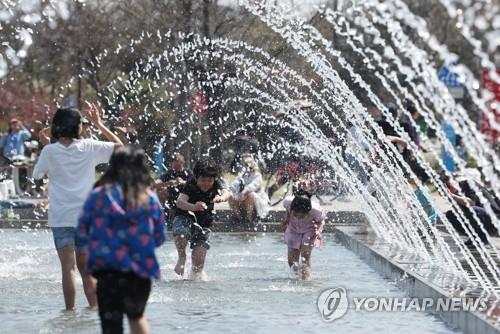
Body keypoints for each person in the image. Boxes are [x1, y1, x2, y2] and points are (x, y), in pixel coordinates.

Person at [32, 107, 123, 310]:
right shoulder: (89, 147)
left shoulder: (50, 151)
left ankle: (69, 314)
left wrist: (47, 146)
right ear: (77, 126)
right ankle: (95, 311)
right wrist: (99, 124)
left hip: (61, 218)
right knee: (86, 270)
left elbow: (37, 175)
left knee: (68, 268)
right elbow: (120, 146)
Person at [76, 146, 166, 334]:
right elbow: (159, 237)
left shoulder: (97, 196)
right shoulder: (149, 198)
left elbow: (82, 231)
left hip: (108, 272)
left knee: (111, 327)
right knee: (137, 317)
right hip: (140, 272)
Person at [172, 158, 231, 277]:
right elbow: (179, 202)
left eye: (210, 180)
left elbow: (228, 193)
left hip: (204, 222)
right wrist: (193, 207)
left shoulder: (217, 182)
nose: (207, 184)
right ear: (196, 177)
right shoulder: (190, 184)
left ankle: (195, 282)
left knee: (198, 263)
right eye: (203, 180)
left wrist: (221, 198)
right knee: (182, 234)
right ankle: (182, 257)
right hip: (185, 216)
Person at [280, 190, 325, 280]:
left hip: (309, 230)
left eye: (302, 215)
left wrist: (319, 231)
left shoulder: (316, 211)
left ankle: (306, 281)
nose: (298, 216)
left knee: (305, 257)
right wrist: (287, 218)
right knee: (291, 260)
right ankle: (297, 278)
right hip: (293, 228)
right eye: (295, 213)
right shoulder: (287, 202)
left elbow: (321, 221)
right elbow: (288, 210)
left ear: (308, 211)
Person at [228, 154, 269, 224]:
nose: (245, 167)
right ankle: (238, 217)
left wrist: (244, 191)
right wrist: (228, 190)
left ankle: (249, 218)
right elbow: (235, 184)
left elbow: (253, 186)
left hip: (257, 200)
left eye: (247, 165)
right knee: (230, 195)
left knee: (249, 194)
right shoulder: (242, 175)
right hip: (243, 197)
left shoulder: (257, 175)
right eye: (244, 165)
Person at [157, 153, 193, 219]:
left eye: (178, 162)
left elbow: (194, 184)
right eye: (174, 162)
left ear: (182, 163)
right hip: (170, 201)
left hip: (184, 200)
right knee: (161, 191)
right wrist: (168, 183)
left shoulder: (188, 173)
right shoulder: (170, 173)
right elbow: (158, 183)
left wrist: (182, 182)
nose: (176, 165)